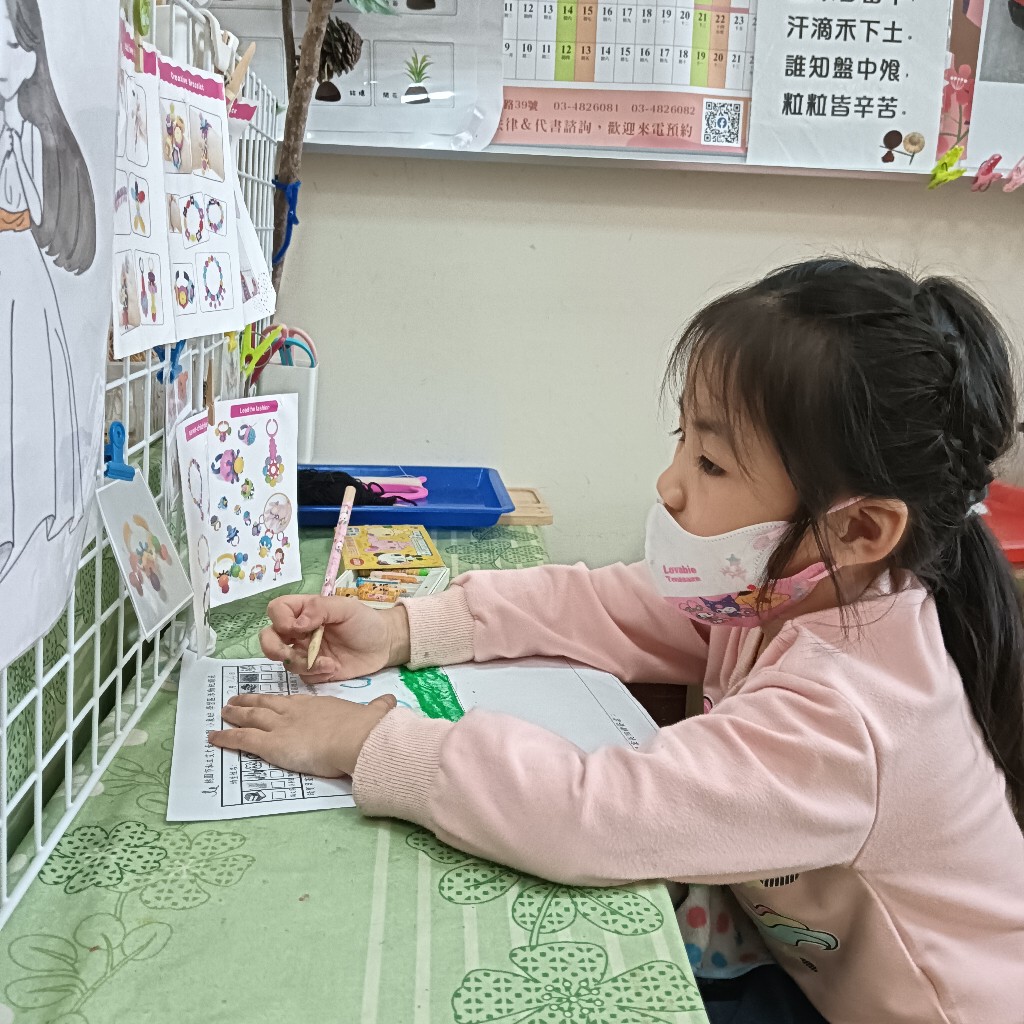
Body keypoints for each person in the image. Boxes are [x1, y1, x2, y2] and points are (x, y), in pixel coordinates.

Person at [210, 259, 1024, 1023]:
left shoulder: (848, 711)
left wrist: (369, 742)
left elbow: (591, 814)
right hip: (809, 962)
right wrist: (403, 628)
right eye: (682, 440)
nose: (670, 484)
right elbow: (604, 604)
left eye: (711, 463)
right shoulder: (796, 594)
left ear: (860, 528)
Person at [0, 0, 94, 580]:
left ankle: (26, 514)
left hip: (20, 265)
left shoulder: (32, 135)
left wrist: (15, 153)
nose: (4, 62)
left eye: (14, 45)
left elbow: (35, 210)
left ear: (33, 54)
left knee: (28, 386)